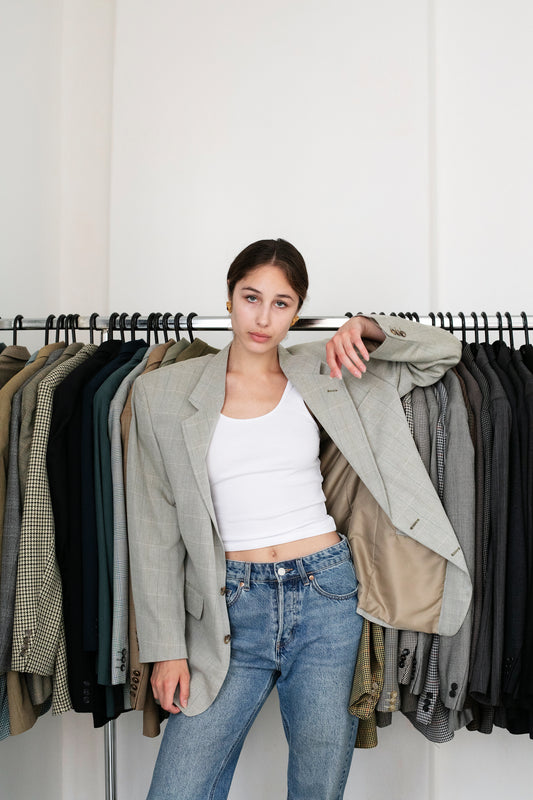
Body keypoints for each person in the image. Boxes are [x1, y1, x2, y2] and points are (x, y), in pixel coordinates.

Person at [126, 239, 471, 799]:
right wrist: (166, 649)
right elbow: (153, 533)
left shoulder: (326, 367)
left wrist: (367, 327)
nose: (263, 318)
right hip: (227, 607)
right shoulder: (160, 393)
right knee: (178, 790)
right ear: (230, 297)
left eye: (282, 303)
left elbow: (442, 354)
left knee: (316, 787)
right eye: (251, 297)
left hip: (326, 598)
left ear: (299, 307)